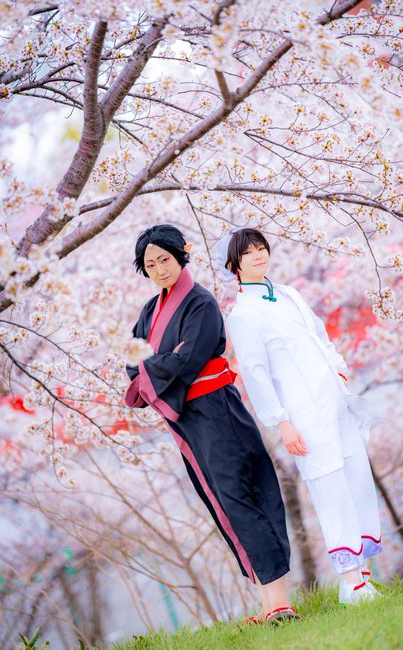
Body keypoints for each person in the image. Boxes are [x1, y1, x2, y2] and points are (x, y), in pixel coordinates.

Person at [125, 224, 299, 623]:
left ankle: (280, 600)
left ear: (180, 256)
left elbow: (187, 359)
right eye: (150, 264)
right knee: (219, 499)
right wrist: (162, 360)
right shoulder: (149, 312)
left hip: (218, 411)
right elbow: (133, 362)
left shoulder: (200, 302)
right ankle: (266, 603)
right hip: (188, 420)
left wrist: (156, 363)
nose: (159, 269)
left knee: (243, 493)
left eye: (165, 259)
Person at [222, 227, 384, 605]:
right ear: (234, 265)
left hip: (335, 402)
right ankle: (351, 583)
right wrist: (282, 423)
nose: (259, 255)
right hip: (303, 414)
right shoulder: (243, 314)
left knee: (356, 480)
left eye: (262, 248)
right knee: (330, 487)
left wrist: (338, 370)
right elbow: (256, 374)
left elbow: (320, 335)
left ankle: (364, 577)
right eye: (249, 252)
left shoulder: (289, 294)